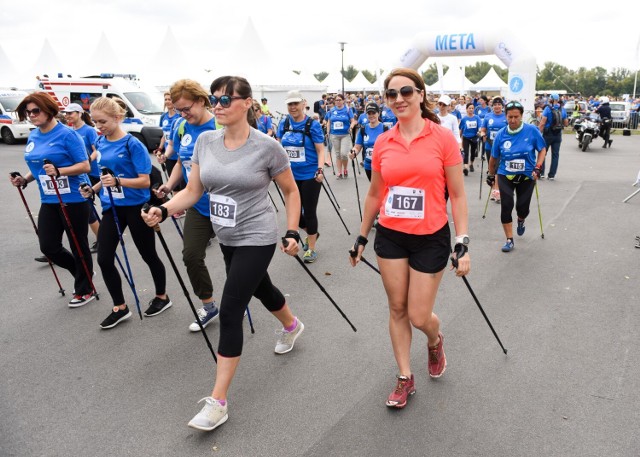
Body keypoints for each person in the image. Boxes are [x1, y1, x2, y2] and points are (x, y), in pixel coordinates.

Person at [142, 75, 304, 432]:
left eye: (227, 99)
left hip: (257, 235)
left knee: (231, 309)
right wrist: (164, 208)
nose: (218, 105)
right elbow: (193, 190)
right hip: (226, 235)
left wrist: (293, 231)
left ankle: (218, 402)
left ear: (248, 103)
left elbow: (291, 192)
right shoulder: (205, 141)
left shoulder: (266, 147)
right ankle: (292, 325)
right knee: (262, 289)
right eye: (215, 99)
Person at [349, 68, 470, 409]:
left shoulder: (442, 138)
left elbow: (458, 196)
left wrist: (462, 242)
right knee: (397, 307)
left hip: (430, 236)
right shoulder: (383, 141)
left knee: (419, 315)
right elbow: (375, 194)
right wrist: (360, 237)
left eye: (405, 92)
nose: (398, 99)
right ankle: (404, 376)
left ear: (420, 94)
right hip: (391, 235)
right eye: (391, 94)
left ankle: (434, 339)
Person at [80, 96, 171, 329]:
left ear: (117, 118)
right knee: (104, 257)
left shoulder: (133, 144)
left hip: (136, 207)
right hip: (112, 207)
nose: (98, 126)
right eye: (95, 122)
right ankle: (120, 307)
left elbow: (143, 181)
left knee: (148, 254)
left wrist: (118, 180)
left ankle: (162, 297)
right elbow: (104, 176)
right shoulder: (100, 143)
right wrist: (93, 189)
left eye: (102, 121)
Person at [10, 92, 95, 307]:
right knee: (48, 246)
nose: (31, 115)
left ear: (49, 109)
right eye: (28, 112)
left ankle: (85, 289)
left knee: (78, 245)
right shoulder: (34, 135)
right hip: (49, 199)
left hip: (74, 198)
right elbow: (38, 168)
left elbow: (85, 166)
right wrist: (25, 179)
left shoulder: (67, 135)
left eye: (35, 111)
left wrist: (60, 171)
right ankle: (82, 272)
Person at [155, 79, 221, 332]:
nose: (182, 114)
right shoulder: (181, 126)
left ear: (202, 101)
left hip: (226, 206)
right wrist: (170, 186)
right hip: (198, 204)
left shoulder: (219, 125)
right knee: (191, 255)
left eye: (186, 108)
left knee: (235, 262)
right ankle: (209, 305)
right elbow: (183, 163)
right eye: (178, 109)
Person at [487, 101, 547, 252]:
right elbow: (494, 157)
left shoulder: (531, 130)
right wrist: (491, 174)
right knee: (506, 206)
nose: (513, 120)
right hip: (505, 175)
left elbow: (542, 149)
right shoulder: (501, 134)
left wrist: (538, 167)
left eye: (516, 117)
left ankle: (521, 219)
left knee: (522, 208)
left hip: (527, 176)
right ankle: (509, 239)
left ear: (521, 116)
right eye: (509, 117)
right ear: (506, 116)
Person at [277, 90, 325, 263]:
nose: (293, 107)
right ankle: (313, 233)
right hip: (289, 175)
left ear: (303, 104)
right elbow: (279, 148)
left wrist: (320, 169)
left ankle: (311, 248)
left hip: (310, 175)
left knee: (309, 211)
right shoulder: (283, 123)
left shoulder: (312, 124)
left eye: (296, 103)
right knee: (294, 213)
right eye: (290, 104)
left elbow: (320, 149)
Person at [63, 103, 101, 254]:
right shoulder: (70, 131)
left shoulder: (89, 130)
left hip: (94, 173)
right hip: (82, 174)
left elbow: (96, 150)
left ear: (79, 113)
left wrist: (87, 162)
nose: (67, 116)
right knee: (89, 207)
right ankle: (103, 238)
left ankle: (106, 237)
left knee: (102, 205)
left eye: (70, 113)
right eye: (66, 114)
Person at [350, 102, 386, 182]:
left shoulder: (385, 129)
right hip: (369, 165)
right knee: (374, 189)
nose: (371, 115)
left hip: (382, 165)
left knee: (382, 190)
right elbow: (357, 147)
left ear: (378, 113)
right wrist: (353, 152)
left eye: (373, 113)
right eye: (369, 113)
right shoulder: (363, 129)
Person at [480, 96, 507, 202]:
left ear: (502, 106)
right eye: (495, 105)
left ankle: (497, 190)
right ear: (492, 106)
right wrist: (482, 134)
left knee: (498, 169)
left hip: (503, 146)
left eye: (499, 104)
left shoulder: (506, 116)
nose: (497, 106)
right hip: (489, 146)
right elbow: (483, 129)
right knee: (491, 168)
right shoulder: (488, 116)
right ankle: (494, 190)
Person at [538, 93, 568, 181]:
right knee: (555, 155)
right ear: (558, 99)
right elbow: (566, 123)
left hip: (548, 134)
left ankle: (541, 173)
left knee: (542, 153)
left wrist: (538, 133)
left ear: (550, 99)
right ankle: (551, 175)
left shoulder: (547, 109)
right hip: (558, 134)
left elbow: (543, 123)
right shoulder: (562, 109)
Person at [326, 93, 356, 179]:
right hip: (334, 135)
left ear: (343, 101)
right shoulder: (331, 110)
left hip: (345, 134)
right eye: (336, 100)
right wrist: (328, 132)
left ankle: (345, 169)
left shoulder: (347, 109)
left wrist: (351, 127)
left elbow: (353, 121)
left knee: (343, 154)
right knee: (338, 154)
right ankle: (339, 172)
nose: (338, 102)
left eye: (340, 100)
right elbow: (329, 122)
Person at [460, 103, 480, 175]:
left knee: (473, 152)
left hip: (474, 137)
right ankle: (465, 167)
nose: (471, 110)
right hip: (466, 137)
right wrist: (459, 138)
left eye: (472, 108)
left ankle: (471, 163)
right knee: (466, 152)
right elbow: (461, 129)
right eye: (469, 108)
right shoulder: (464, 119)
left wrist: (479, 131)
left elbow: (480, 126)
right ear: (467, 109)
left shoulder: (477, 118)